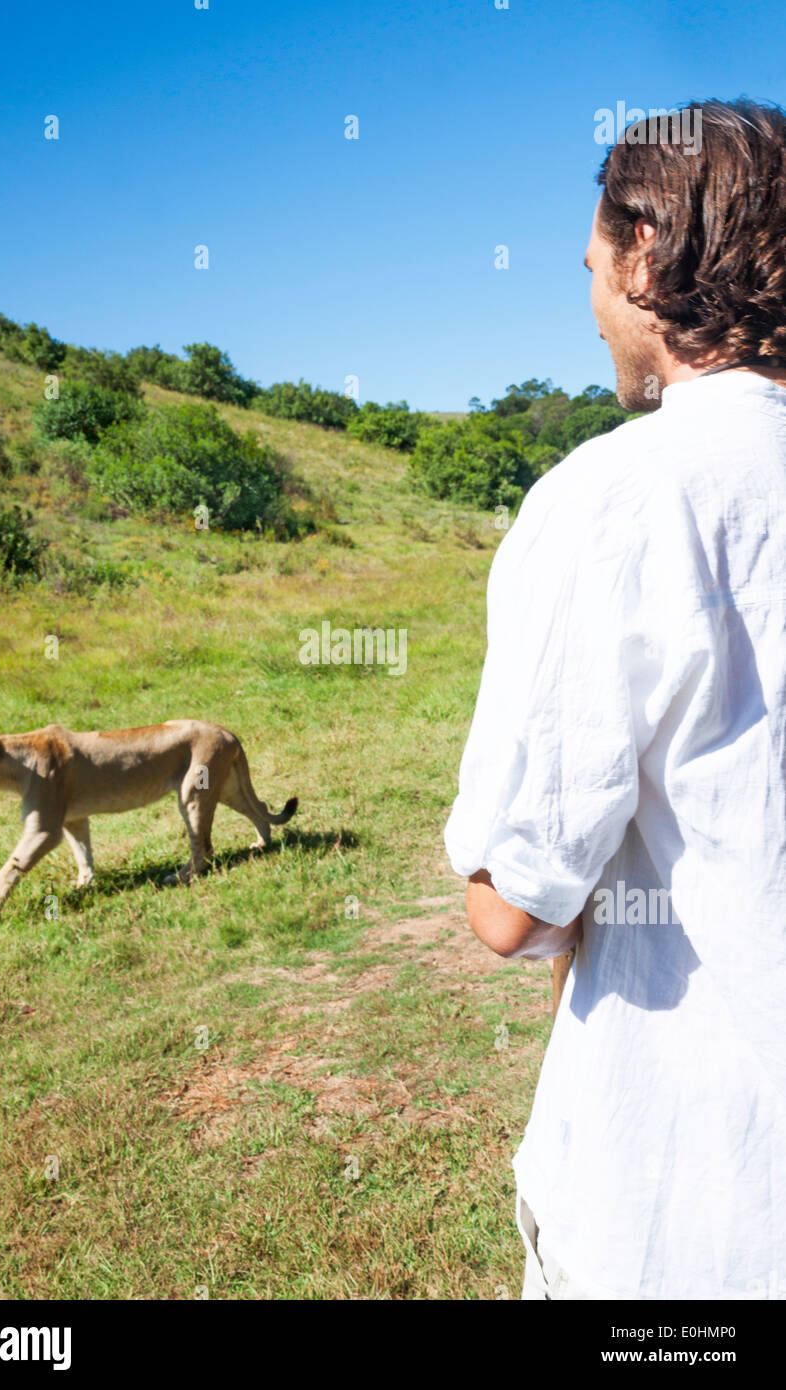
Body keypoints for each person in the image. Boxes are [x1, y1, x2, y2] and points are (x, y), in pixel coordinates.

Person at [444, 98, 786, 1300]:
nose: (589, 305)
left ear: (641, 252)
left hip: (687, 1212)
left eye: (589, 266)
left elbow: (513, 905)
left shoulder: (611, 499)